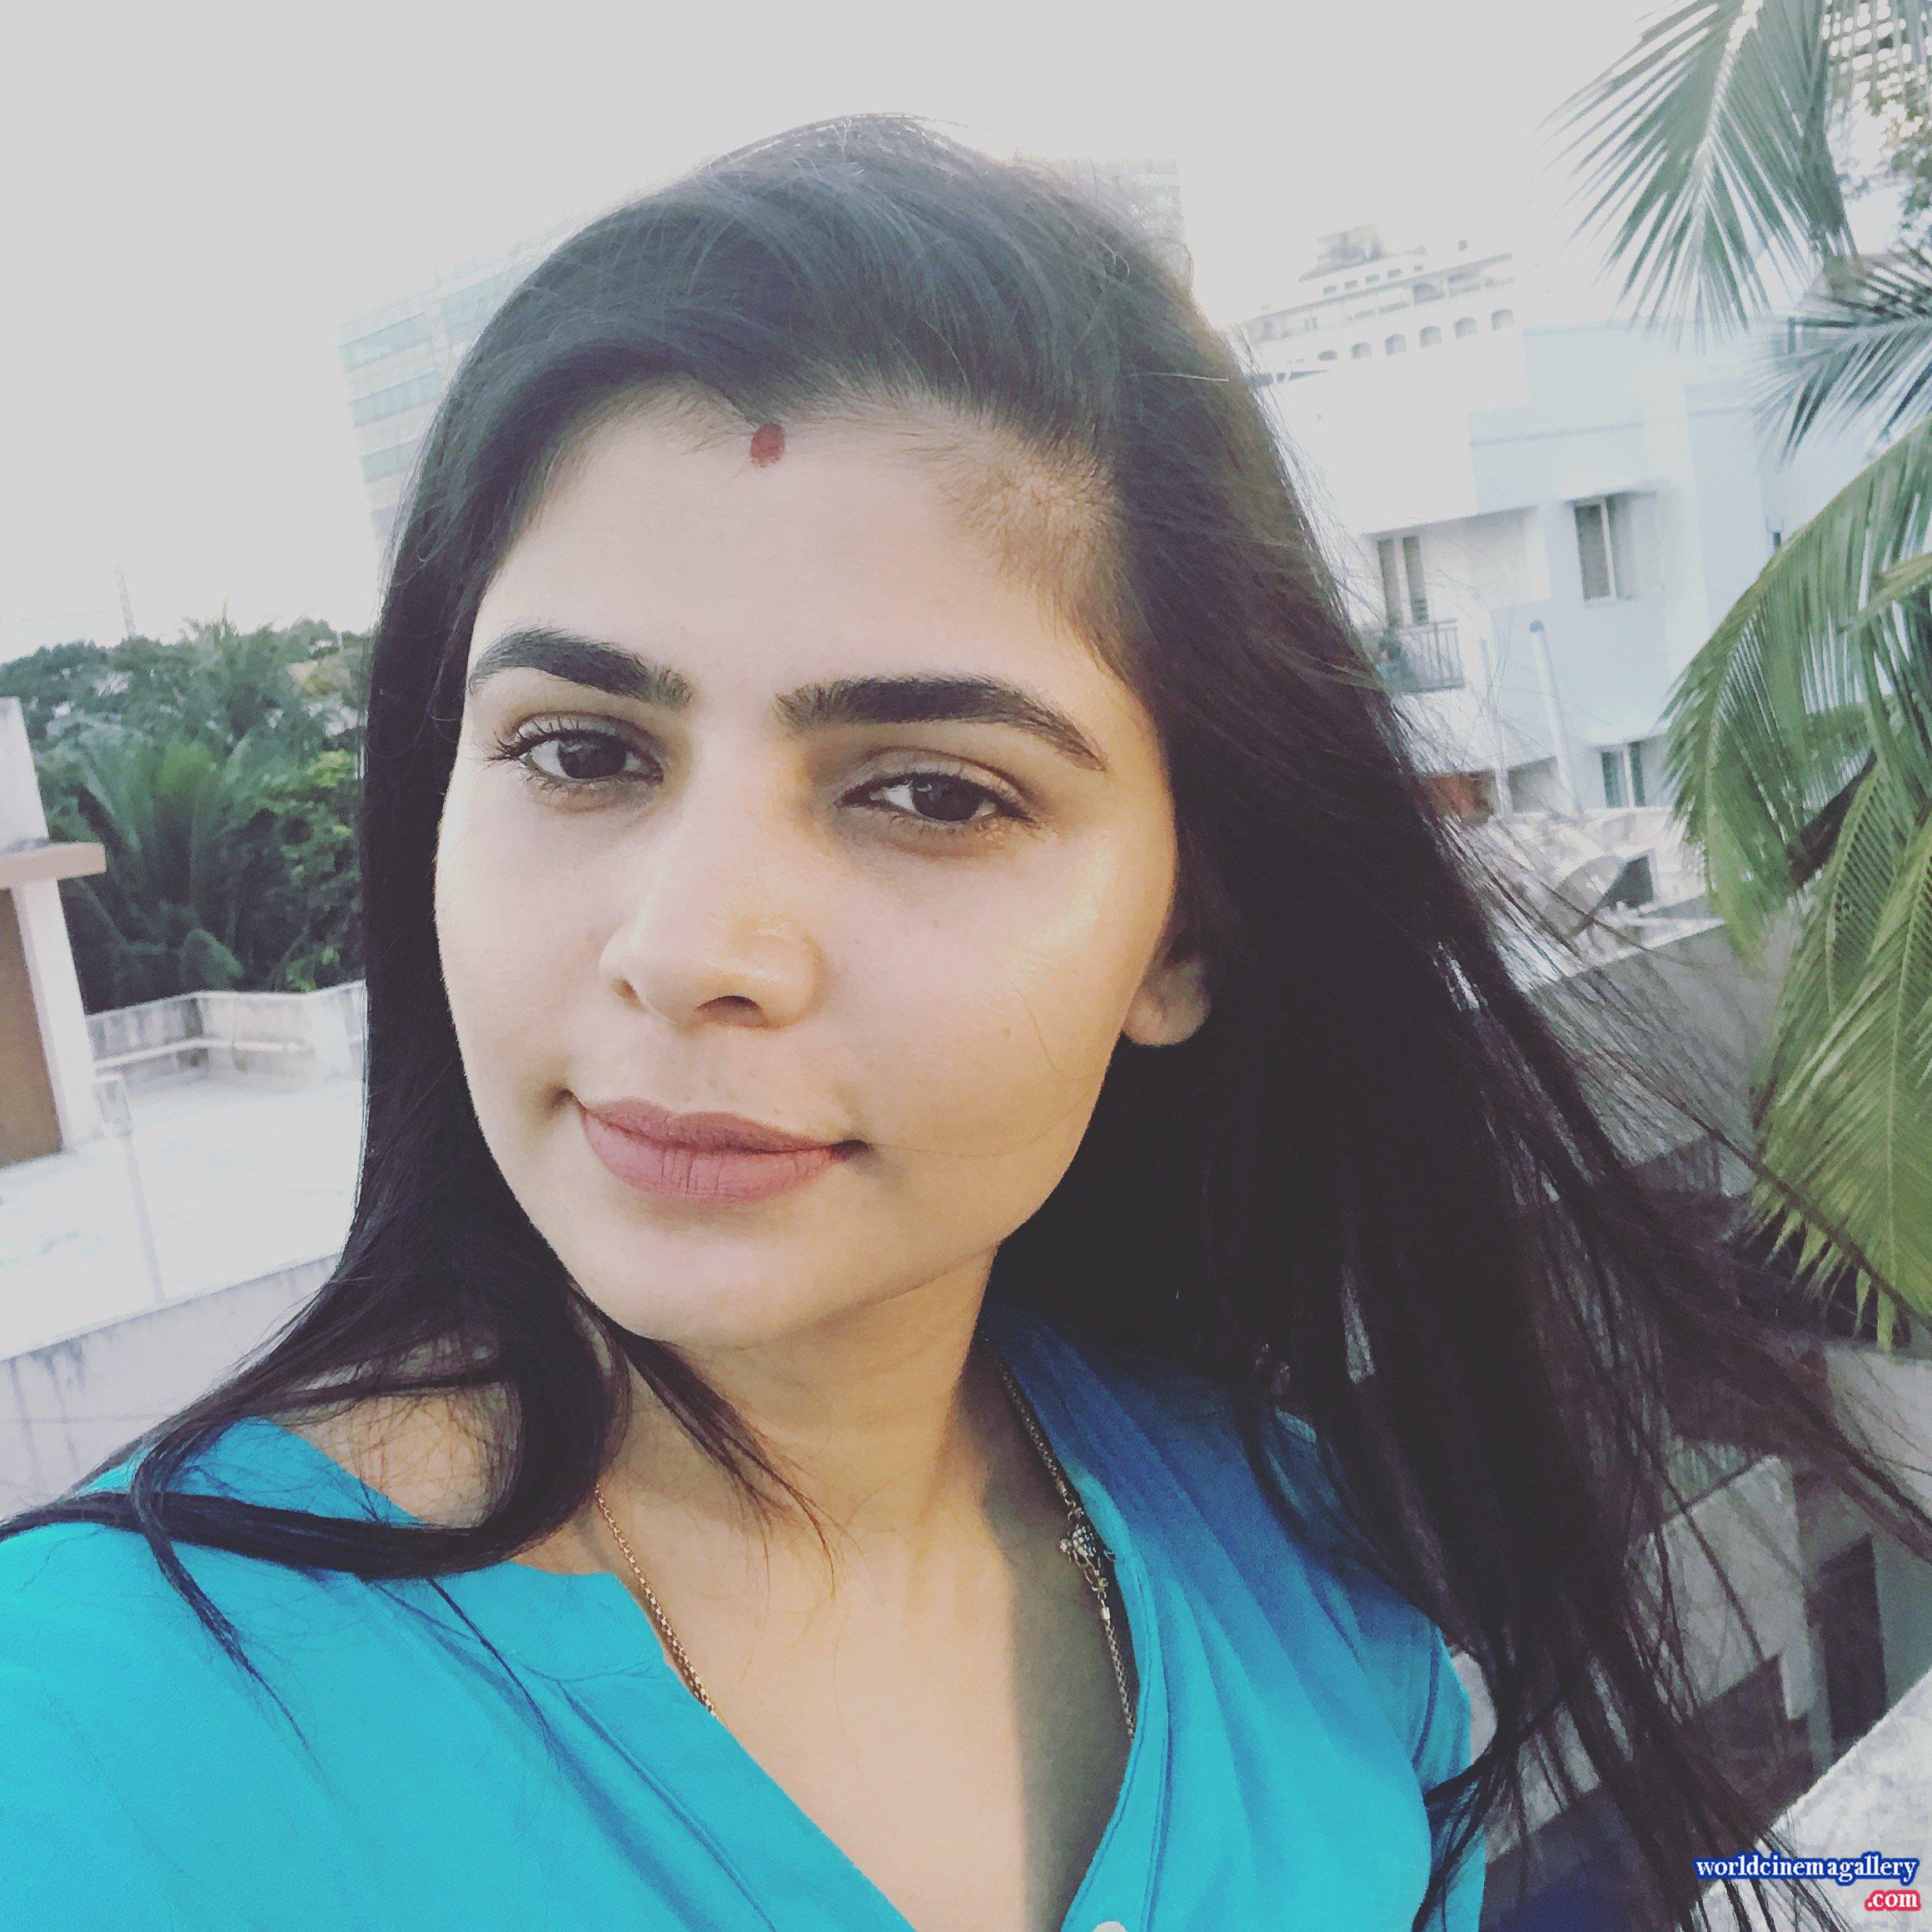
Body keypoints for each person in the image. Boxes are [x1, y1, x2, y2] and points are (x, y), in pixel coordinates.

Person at [2, 114, 1927, 1932]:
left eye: (931, 790)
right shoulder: (97, 1745)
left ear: (1182, 935)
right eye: (578, 751)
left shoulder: (1296, 1574)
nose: (685, 949)